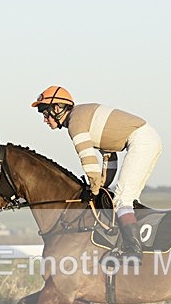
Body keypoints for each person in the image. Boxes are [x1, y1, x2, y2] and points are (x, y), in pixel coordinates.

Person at [31, 85, 162, 262]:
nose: (45, 119)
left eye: (45, 113)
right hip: (146, 138)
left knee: (122, 200)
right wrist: (102, 185)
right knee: (127, 200)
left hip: (142, 141)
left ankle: (134, 252)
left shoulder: (76, 123)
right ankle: (132, 243)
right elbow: (110, 157)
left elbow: (88, 160)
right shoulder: (81, 117)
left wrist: (93, 187)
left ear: (57, 108)